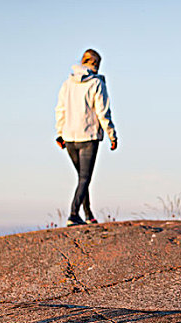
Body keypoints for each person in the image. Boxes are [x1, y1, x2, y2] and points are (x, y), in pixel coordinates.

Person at [55, 49, 118, 227]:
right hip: (88, 137)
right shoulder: (97, 83)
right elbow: (103, 112)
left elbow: (60, 109)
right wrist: (112, 135)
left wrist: (59, 133)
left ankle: (88, 214)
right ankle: (74, 215)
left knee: (82, 178)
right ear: (96, 64)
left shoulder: (67, 83)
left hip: (69, 137)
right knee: (84, 178)